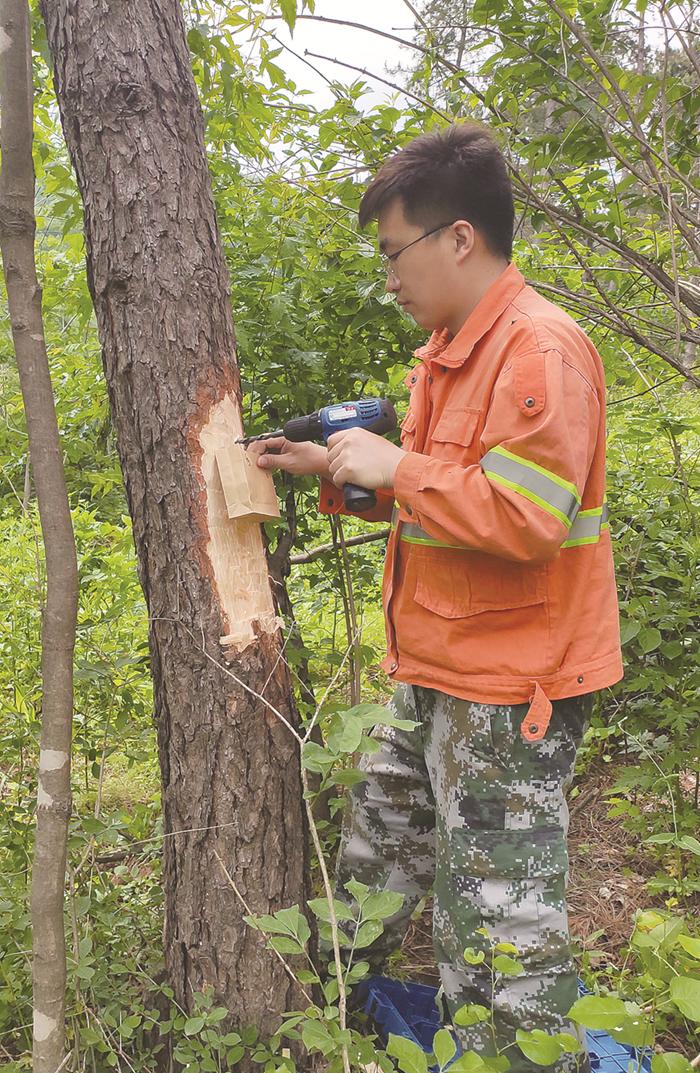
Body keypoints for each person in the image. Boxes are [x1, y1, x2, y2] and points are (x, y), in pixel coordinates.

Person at [248, 122, 622, 1072]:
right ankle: (325, 1030)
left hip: (509, 691)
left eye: (395, 252)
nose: (390, 277)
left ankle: (520, 1055)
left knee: (499, 936)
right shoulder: (452, 350)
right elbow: (446, 508)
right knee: (371, 867)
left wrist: (403, 466)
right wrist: (334, 468)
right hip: (432, 673)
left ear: (460, 237)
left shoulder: (538, 350)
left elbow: (528, 518)